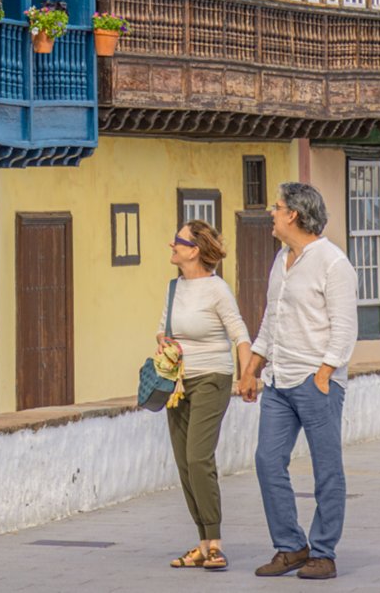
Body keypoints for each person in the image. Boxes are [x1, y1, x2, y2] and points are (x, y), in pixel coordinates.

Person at [241, 182, 358, 581]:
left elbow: (344, 329)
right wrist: (252, 369)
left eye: (276, 208)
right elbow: (270, 321)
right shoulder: (281, 260)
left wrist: (325, 373)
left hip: (316, 382)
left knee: (327, 468)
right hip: (277, 381)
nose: (271, 215)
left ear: (293, 213)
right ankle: (290, 546)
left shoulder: (333, 263)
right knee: (267, 460)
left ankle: (323, 552)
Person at [158, 218, 253, 572]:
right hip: (178, 383)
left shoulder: (217, 290)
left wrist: (246, 375)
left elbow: (240, 335)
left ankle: (216, 544)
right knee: (184, 463)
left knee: (199, 457)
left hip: (213, 378)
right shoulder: (174, 288)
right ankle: (202, 543)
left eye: (177, 240)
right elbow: (161, 331)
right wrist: (165, 345)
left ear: (194, 250)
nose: (172, 245)